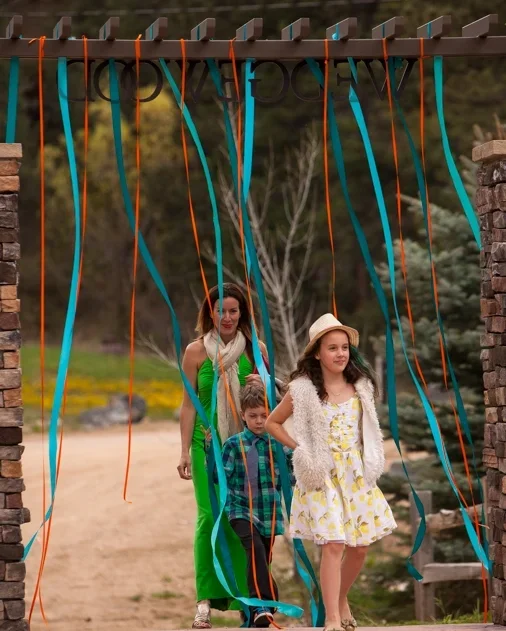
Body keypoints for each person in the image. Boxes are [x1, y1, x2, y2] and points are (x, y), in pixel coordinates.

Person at [265, 313, 397, 631]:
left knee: (359, 548)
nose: (340, 354)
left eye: (344, 348)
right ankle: (332, 618)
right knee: (333, 543)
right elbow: (272, 422)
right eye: (332, 348)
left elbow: (369, 431)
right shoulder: (303, 391)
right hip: (321, 473)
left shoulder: (361, 387)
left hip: (355, 474)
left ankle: (340, 598)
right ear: (317, 354)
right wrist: (301, 449)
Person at [178, 283, 264, 629]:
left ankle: (249, 601)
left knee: (244, 520)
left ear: (242, 313)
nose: (227, 317)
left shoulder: (254, 350)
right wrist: (184, 450)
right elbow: (188, 405)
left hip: (243, 449)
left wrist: (261, 383)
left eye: (233, 311)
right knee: (208, 516)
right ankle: (204, 602)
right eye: (220, 310)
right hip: (206, 446)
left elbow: (265, 402)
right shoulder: (195, 352)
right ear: (209, 312)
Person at [221, 382, 292, 628]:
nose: (259, 421)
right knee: (255, 550)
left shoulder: (279, 445)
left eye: (264, 415)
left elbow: (292, 478)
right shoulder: (233, 445)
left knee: (263, 558)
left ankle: (259, 611)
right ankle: (260, 605)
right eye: (253, 416)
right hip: (240, 510)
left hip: (269, 512)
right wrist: (210, 453)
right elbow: (219, 477)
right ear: (243, 415)